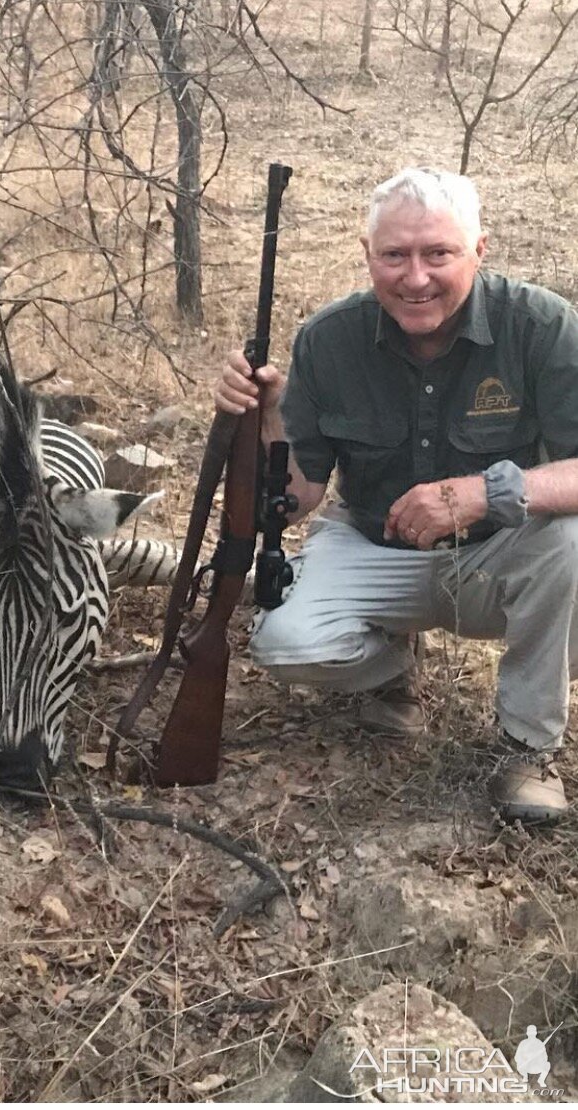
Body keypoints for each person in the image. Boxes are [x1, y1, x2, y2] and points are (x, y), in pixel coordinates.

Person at [216, 166, 578, 826]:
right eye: (395, 256)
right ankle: (390, 669)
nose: (416, 278)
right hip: (374, 548)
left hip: (500, 555)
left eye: (438, 253)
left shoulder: (542, 326)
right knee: (286, 643)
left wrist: (486, 491)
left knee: (567, 540)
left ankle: (528, 749)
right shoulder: (328, 340)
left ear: (480, 250)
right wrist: (264, 417)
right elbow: (295, 500)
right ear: (368, 257)